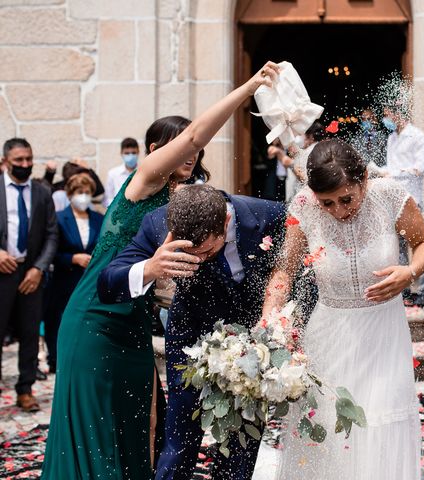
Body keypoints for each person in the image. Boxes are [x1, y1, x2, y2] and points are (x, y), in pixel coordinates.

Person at [42, 61, 279, 480]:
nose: (191, 153)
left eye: (193, 152)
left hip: (136, 318)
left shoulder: (189, 199)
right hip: (97, 312)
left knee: (141, 426)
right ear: (156, 151)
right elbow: (194, 134)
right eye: (180, 147)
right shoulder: (144, 182)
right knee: (95, 429)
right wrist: (249, 88)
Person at [262, 139, 424, 479]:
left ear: (364, 181)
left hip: (384, 333)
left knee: (380, 420)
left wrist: (410, 271)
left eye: (346, 198)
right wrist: (272, 315)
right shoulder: (303, 206)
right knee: (328, 423)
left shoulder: (388, 195)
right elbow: (285, 269)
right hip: (330, 334)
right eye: (326, 202)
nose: (339, 210)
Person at [97, 184, 285, 480]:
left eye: (207, 251)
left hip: (253, 342)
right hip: (191, 336)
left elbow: (299, 266)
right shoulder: (157, 225)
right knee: (181, 434)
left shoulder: (270, 215)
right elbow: (108, 283)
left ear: (225, 221)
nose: (199, 259)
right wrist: (151, 267)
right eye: (190, 255)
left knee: (243, 440)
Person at [0, 138, 58, 411]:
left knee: (30, 332)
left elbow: (51, 234)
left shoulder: (42, 192)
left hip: (30, 274)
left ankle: (25, 389)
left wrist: (38, 268)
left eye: (28, 159)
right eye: (18, 161)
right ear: (5, 162)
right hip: (2, 271)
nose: (25, 165)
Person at [43, 173, 104, 375]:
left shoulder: (98, 218)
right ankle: (56, 359)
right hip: (64, 279)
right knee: (59, 320)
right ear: (70, 194)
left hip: (90, 281)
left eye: (87, 192)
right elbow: (52, 251)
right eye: (79, 192)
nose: (83, 196)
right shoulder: (59, 218)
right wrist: (72, 258)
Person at [380, 102, 424, 305]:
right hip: (393, 199)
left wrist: (392, 173)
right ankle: (404, 290)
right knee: (398, 247)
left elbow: (421, 167)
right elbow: (393, 166)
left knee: (419, 244)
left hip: (412, 199)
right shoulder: (392, 138)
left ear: (396, 114)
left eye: (387, 115)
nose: (385, 119)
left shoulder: (418, 136)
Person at [285, 121, 324, 201]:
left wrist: (292, 166)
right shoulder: (322, 149)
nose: (301, 137)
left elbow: (303, 178)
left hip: (304, 197)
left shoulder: (308, 152)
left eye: (302, 134)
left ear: (310, 136)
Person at [104, 137, 140, 207]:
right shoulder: (113, 174)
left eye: (133, 153)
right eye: (127, 153)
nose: (130, 156)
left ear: (138, 152)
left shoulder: (143, 172)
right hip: (118, 213)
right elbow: (108, 198)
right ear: (121, 153)